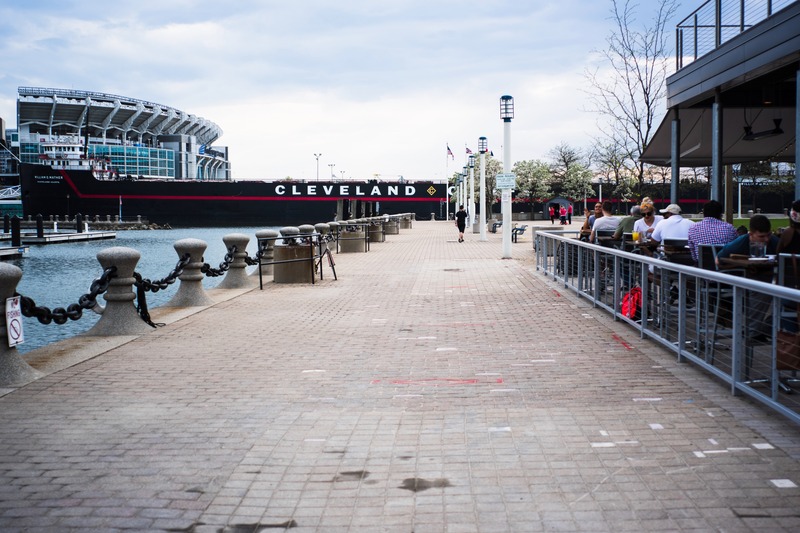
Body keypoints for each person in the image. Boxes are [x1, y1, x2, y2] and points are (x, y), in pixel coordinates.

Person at [686, 200, 738, 264]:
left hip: (701, 268)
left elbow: (693, 254)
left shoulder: (693, 228)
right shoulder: (729, 228)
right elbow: (735, 248)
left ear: (703, 213)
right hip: (724, 267)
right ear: (720, 214)